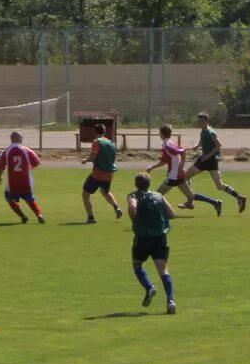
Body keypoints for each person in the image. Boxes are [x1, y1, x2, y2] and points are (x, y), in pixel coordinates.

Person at [127, 174, 178, 315]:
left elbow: (132, 207)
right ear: (149, 184)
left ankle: (149, 287)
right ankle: (171, 300)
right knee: (163, 270)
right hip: (160, 237)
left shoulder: (133, 195)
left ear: (136, 184)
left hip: (143, 237)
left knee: (137, 264)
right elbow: (172, 214)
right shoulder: (159, 196)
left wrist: (135, 220)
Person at [147, 124, 221, 216]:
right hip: (179, 175)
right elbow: (164, 161)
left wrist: (181, 166)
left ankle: (158, 214)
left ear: (161, 134)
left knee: (157, 195)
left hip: (174, 176)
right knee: (191, 196)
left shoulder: (167, 145)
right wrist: (152, 168)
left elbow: (182, 151)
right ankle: (215, 203)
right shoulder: (168, 143)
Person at [186, 112, 247, 213]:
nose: (199, 123)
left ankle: (190, 201)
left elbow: (218, 145)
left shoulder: (210, 132)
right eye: (199, 121)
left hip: (209, 160)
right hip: (208, 160)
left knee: (186, 177)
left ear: (206, 121)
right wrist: (197, 145)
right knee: (219, 185)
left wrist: (207, 155)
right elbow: (202, 139)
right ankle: (240, 197)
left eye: (201, 121)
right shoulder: (203, 131)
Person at [0, 131, 45, 223]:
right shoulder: (27, 150)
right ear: (19, 139)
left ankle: (22, 216)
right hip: (26, 181)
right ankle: (39, 215)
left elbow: (1, 166)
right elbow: (36, 162)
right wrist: (28, 168)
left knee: (9, 197)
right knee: (29, 198)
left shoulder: (6, 151)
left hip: (13, 182)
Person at [80, 128, 124, 223]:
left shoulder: (96, 142)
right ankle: (117, 208)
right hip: (109, 173)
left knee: (85, 195)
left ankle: (91, 218)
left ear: (95, 132)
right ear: (104, 132)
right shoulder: (111, 143)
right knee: (105, 192)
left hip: (98, 173)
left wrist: (85, 161)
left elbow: (93, 156)